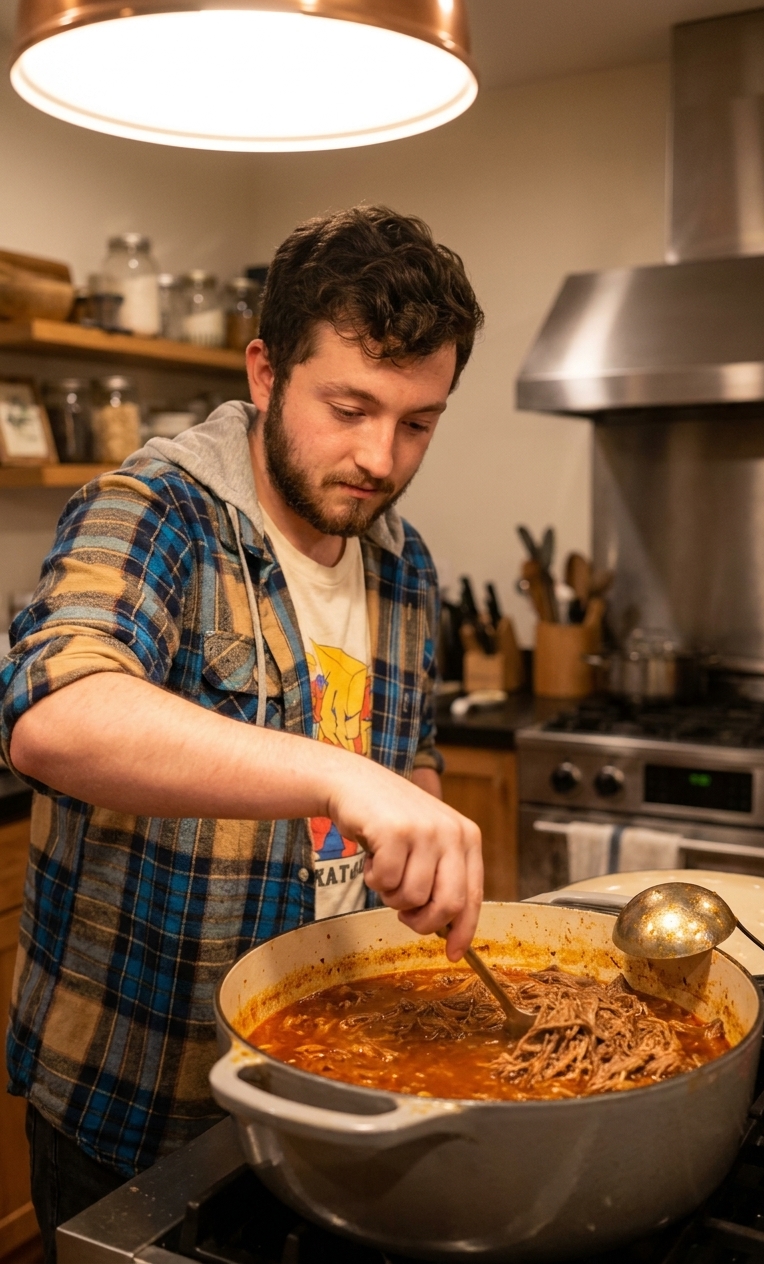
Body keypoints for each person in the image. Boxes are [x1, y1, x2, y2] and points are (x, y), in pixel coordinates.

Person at [0, 205, 485, 1261]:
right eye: (349, 406)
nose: (379, 456)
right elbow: (53, 711)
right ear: (264, 373)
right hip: (139, 1106)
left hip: (338, 1090)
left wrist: (418, 808)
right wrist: (336, 778)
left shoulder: (406, 566)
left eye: (418, 422)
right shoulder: (153, 510)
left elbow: (410, 755)